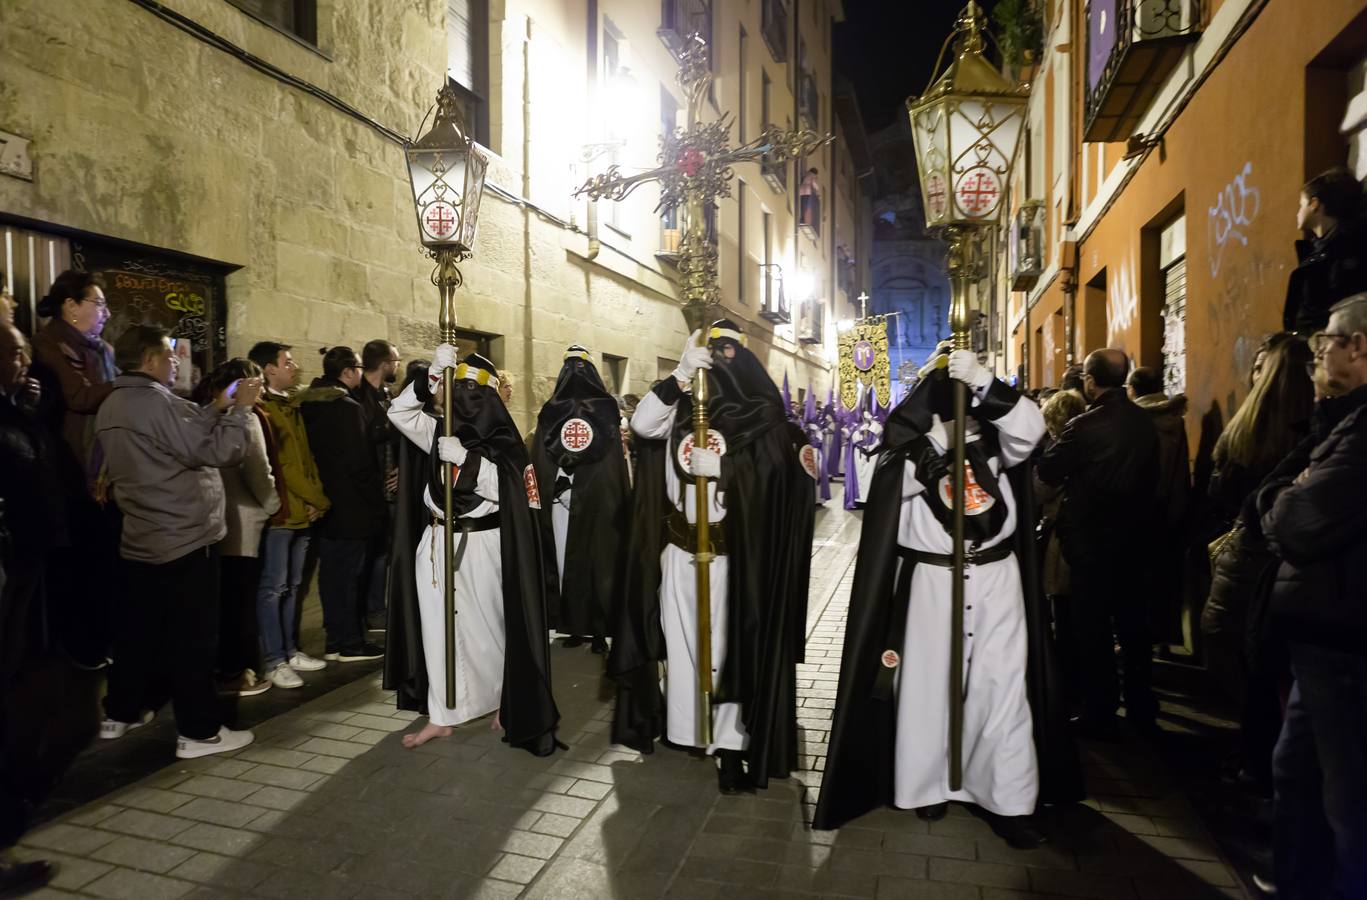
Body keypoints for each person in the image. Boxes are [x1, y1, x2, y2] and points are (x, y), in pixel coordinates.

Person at [814, 346, 1081, 846]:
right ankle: (927, 785)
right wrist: (934, 444)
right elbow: (885, 487)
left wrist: (984, 380)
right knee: (928, 687)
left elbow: (1032, 430)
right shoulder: (910, 444)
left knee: (1000, 688)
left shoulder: (999, 440)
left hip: (996, 580)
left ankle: (1005, 798)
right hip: (932, 582)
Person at [611, 320, 815, 794]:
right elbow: (641, 425)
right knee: (684, 648)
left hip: (734, 560)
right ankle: (690, 731)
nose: (719, 360)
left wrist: (724, 470)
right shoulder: (681, 409)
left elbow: (782, 486)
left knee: (727, 654)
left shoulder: (765, 416)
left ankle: (729, 746)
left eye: (727, 352)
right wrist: (680, 375)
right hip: (679, 553)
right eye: (710, 351)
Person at [93, 325, 258, 759]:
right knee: (193, 638)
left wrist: (214, 406)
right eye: (168, 354)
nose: (174, 361)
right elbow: (217, 453)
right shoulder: (158, 403)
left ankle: (120, 712)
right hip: (184, 537)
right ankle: (199, 732)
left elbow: (172, 437)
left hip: (141, 536)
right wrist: (239, 412)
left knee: (137, 634)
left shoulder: (113, 404)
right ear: (149, 359)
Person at [385, 347, 560, 754]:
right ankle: (442, 714)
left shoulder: (506, 444)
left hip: (482, 543)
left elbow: (515, 495)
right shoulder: (438, 431)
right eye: (454, 388)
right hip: (436, 542)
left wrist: (469, 464)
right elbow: (399, 413)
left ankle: (503, 700)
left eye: (467, 391)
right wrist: (430, 376)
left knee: (488, 629)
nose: (457, 399)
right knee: (437, 628)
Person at [1259, 294, 1367, 899]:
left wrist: (1282, 501)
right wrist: (1285, 497)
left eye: (1326, 340)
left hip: (1345, 638)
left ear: (1359, 346)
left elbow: (1295, 519)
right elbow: (1283, 492)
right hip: (1321, 635)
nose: (1318, 351)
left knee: (1347, 795)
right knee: (1297, 772)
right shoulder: (1343, 420)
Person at [1037, 349, 1161, 735]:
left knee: (1092, 632)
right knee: (1134, 630)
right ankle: (1142, 707)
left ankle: (1100, 710)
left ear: (1090, 381)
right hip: (1137, 541)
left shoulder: (1086, 426)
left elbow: (1049, 470)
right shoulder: (1145, 422)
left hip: (1092, 542)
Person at [530, 345, 631, 653]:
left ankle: (600, 629)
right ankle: (573, 625)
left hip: (599, 504)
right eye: (569, 367)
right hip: (563, 501)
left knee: (599, 566)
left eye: (580, 367)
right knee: (566, 563)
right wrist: (559, 486)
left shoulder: (606, 412)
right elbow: (543, 459)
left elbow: (611, 465)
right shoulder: (550, 413)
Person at [193, 359, 280, 699]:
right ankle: (237, 673)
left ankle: (223, 669)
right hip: (243, 521)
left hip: (213, 521)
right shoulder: (246, 418)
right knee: (241, 603)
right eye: (256, 383)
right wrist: (273, 506)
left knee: (223, 602)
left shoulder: (206, 414)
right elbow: (258, 469)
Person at [249, 342, 331, 689]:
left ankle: (290, 648)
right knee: (274, 587)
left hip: (303, 511)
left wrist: (315, 500)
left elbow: (306, 458)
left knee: (294, 586)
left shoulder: (291, 406)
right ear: (268, 369)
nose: (294, 367)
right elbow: (282, 466)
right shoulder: (264, 408)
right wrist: (318, 498)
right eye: (287, 362)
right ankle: (273, 659)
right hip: (282, 512)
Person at [298, 346, 387, 663]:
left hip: (324, 503)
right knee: (349, 576)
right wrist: (376, 501)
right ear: (348, 372)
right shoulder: (346, 407)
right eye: (359, 369)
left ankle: (335, 638)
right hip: (351, 505)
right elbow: (359, 462)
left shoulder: (307, 403)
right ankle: (348, 641)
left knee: (331, 576)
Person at [30, 270, 115, 486]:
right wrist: (125, 383)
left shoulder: (104, 350)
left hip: (109, 462)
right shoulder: (47, 344)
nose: (108, 314)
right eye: (99, 304)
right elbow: (79, 396)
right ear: (71, 306)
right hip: (70, 463)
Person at [1125, 366, 1191, 646]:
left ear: (1133, 389)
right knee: (1166, 580)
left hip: (1140, 512)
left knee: (1139, 584)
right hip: (1171, 511)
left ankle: (1144, 641)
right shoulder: (1175, 419)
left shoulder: (1134, 421)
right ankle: (1166, 638)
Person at [1283, 167, 1367, 334]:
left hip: (1331, 344)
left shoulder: (1346, 254)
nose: (1298, 213)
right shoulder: (1320, 250)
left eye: (1301, 205)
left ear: (1314, 204)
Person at [356, 339, 402, 634]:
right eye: (395, 361)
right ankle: (368, 612)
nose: (398, 365)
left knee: (383, 554)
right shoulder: (360, 398)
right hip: (369, 489)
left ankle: (378, 609)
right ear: (385, 363)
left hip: (389, 487)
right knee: (368, 557)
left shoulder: (386, 396)